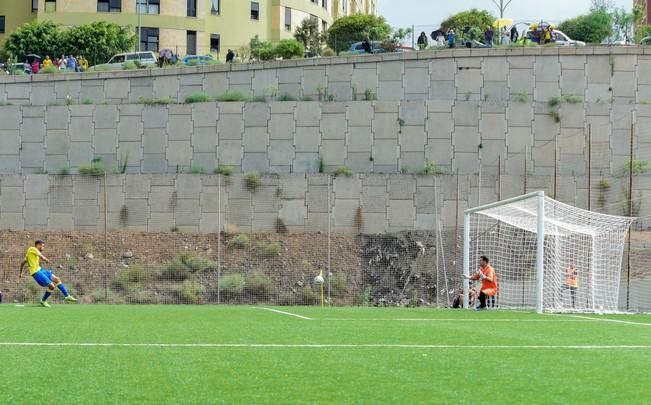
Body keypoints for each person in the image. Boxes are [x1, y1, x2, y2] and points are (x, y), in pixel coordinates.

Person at [19, 240, 77, 307]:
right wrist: (45, 259)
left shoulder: (30, 254)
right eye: (42, 246)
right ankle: (43, 301)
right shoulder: (32, 249)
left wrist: (20, 273)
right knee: (52, 286)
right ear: (38, 245)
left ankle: (67, 296)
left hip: (40, 270)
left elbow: (22, 263)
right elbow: (41, 256)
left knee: (57, 279)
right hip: (36, 273)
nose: (43, 248)